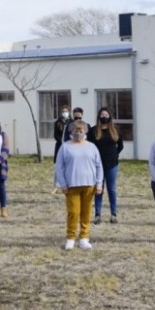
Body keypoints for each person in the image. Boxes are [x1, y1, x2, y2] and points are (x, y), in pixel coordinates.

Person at [54, 120, 103, 250]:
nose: (78, 133)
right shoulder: (65, 147)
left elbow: (99, 166)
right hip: (71, 186)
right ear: (71, 131)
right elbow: (59, 167)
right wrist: (62, 184)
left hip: (89, 185)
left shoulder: (91, 147)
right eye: (76, 130)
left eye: (81, 130)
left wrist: (99, 184)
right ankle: (70, 238)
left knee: (86, 213)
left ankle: (84, 238)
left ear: (85, 131)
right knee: (73, 212)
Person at [88, 107, 124, 224]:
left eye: (106, 115)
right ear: (99, 116)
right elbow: (89, 147)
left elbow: (120, 146)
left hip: (112, 164)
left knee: (111, 189)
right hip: (97, 165)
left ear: (110, 116)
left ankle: (113, 214)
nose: (104, 117)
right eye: (102, 115)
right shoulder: (93, 131)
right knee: (99, 189)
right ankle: (97, 214)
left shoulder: (115, 129)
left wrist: (114, 155)